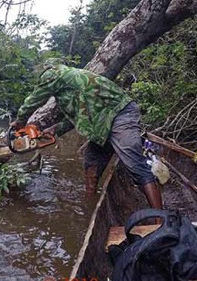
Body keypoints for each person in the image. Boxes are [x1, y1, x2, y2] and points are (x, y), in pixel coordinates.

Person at [10, 61, 163, 209]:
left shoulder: (54, 74)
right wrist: (55, 129)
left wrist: (20, 121)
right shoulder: (69, 89)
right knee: (91, 160)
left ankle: (161, 220)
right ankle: (89, 204)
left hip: (120, 113)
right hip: (103, 123)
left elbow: (32, 101)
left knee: (135, 164)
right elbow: (78, 118)